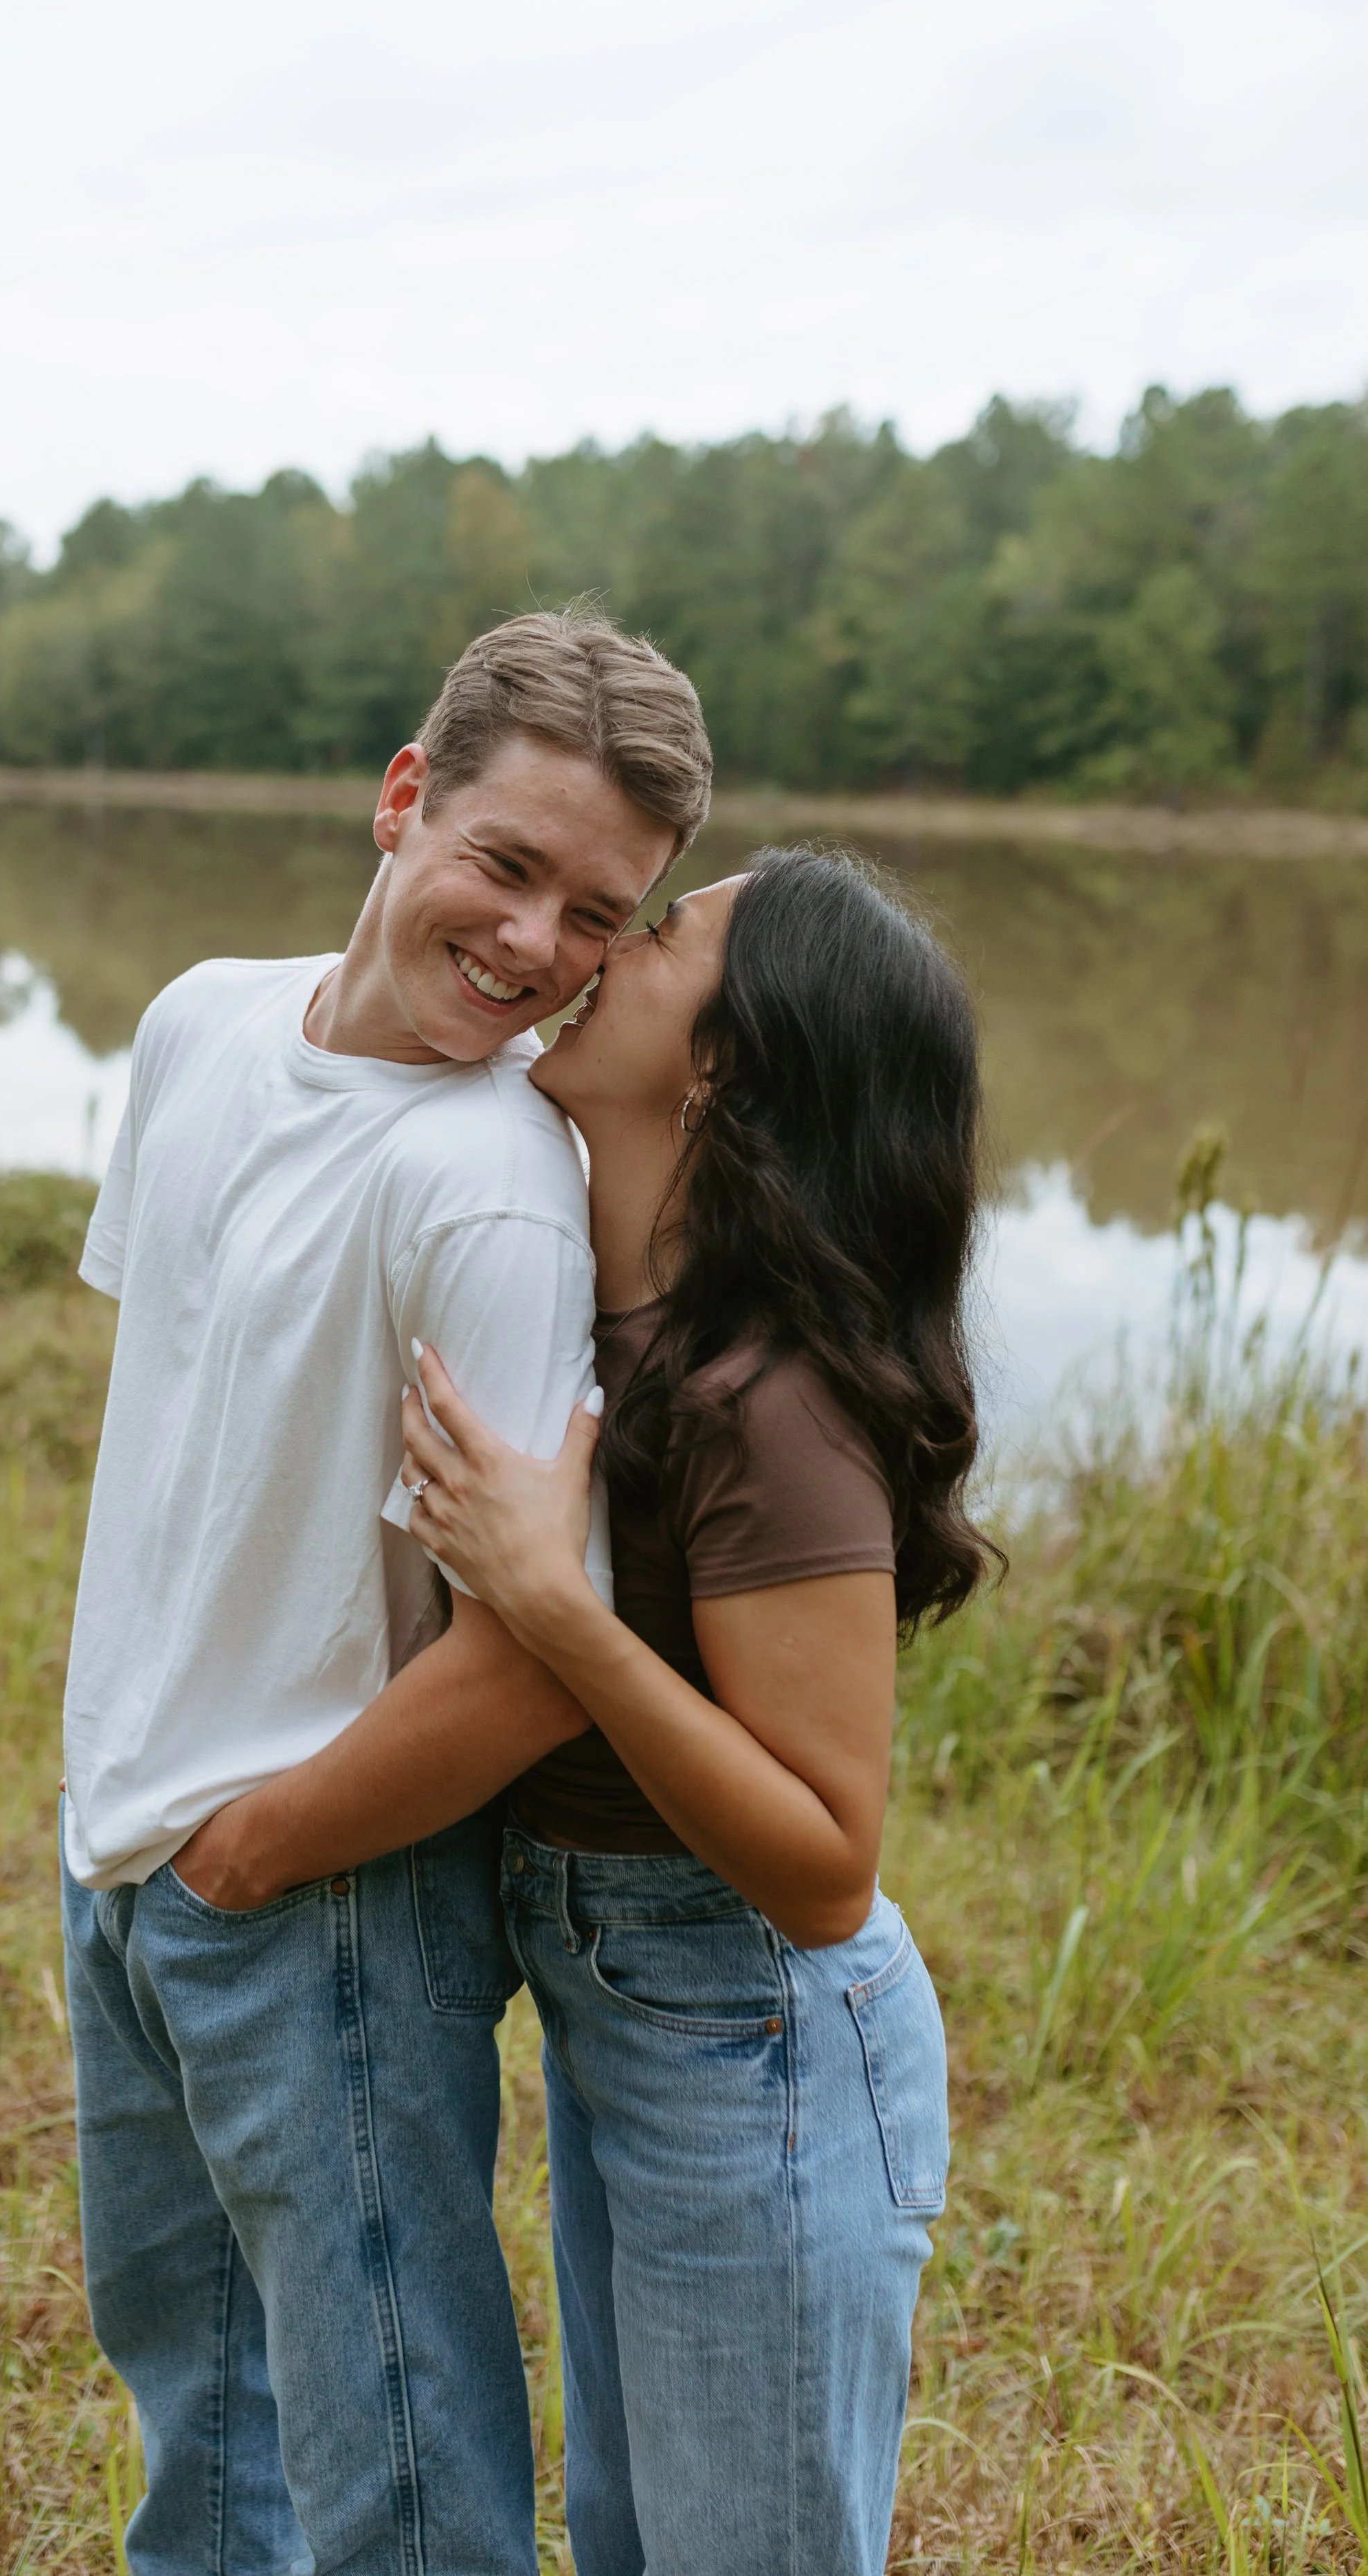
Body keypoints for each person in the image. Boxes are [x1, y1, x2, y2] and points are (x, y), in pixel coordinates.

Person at [234, 848, 995, 2574]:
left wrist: (555, 1612)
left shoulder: (767, 1400)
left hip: (754, 2034)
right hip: (635, 2015)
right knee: (637, 2540)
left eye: (654, 934)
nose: (593, 954)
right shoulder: (618, 1319)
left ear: (720, 1065)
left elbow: (825, 1867)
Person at [58, 607, 713, 2576]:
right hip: (124, 1849)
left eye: (596, 914)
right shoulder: (198, 1022)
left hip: (319, 1889)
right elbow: (179, 1420)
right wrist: (138, 1821)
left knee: (395, 2495)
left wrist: (250, 1857)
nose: (531, 944)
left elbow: (528, 1658)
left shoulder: (487, 1184)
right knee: (203, 2438)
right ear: (402, 794)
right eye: (504, 863)